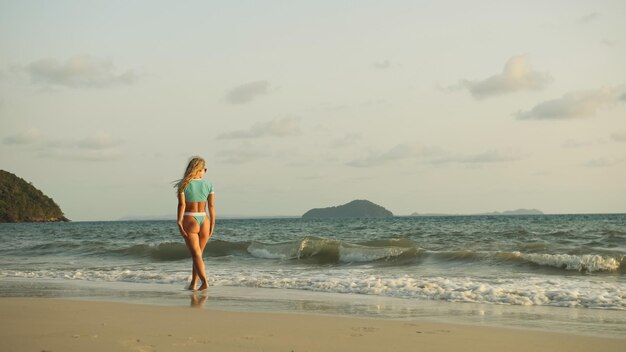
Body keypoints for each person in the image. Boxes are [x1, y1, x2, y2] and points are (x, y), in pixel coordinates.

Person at [175, 156, 215, 290]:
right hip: (205, 219)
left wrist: (179, 221)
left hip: (190, 218)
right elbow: (211, 207)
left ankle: (204, 282)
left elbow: (182, 205)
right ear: (201, 170)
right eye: (205, 169)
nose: (205, 171)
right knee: (198, 255)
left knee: (196, 254)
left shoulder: (184, 184)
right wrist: (213, 223)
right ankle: (194, 283)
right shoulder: (209, 184)